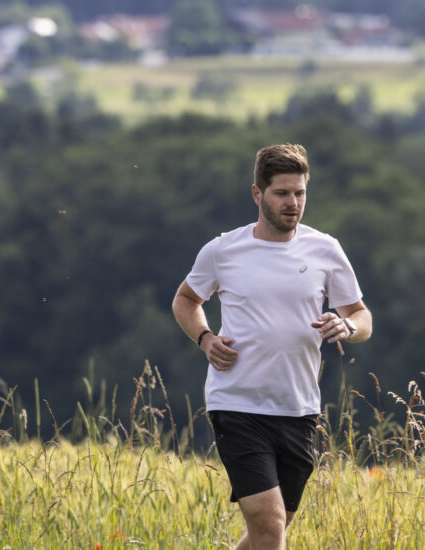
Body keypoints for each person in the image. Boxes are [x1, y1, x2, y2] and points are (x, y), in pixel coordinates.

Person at [171, 144, 372, 550]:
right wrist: (205, 338)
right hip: (237, 404)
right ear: (257, 194)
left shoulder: (325, 249)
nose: (292, 203)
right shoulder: (223, 250)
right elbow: (185, 300)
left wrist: (347, 324)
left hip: (298, 408)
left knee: (273, 531)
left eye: (299, 193)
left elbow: (362, 317)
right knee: (270, 521)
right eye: (282, 193)